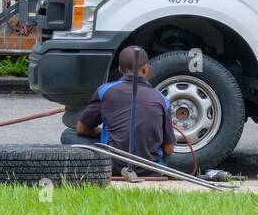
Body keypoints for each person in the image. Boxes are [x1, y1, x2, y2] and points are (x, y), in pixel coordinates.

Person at [61, 45, 174, 176]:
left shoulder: (104, 91)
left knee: (68, 135)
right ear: (145, 69)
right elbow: (169, 148)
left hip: (113, 167)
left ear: (120, 69)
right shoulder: (162, 99)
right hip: (151, 170)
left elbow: (82, 129)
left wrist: (104, 132)